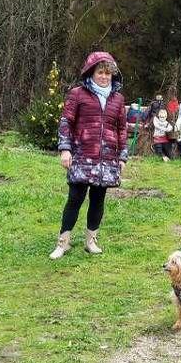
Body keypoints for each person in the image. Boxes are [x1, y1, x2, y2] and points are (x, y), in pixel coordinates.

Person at [50, 51, 127, 259]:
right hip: (82, 155)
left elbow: (121, 129)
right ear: (91, 72)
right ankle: (63, 242)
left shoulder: (118, 99)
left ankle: (91, 241)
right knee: (75, 198)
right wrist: (65, 149)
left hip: (107, 158)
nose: (104, 76)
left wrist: (122, 157)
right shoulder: (77, 94)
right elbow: (66, 122)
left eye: (108, 73)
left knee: (98, 200)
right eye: (100, 72)